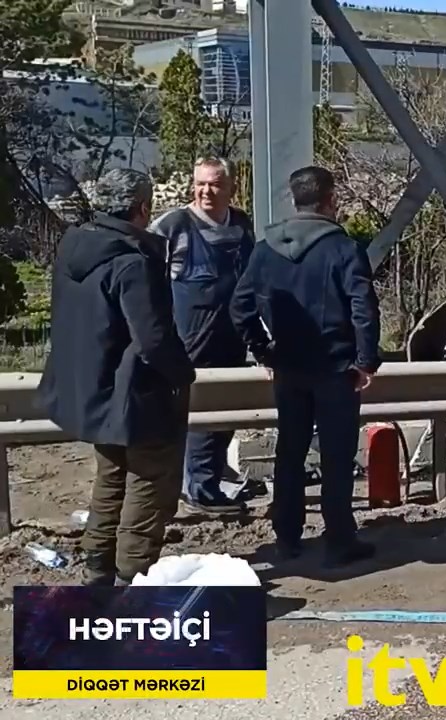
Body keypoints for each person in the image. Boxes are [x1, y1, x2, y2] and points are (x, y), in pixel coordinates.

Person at [36, 169, 196, 586]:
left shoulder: (75, 245)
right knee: (148, 480)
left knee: (111, 475)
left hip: (94, 388)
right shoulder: (132, 261)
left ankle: (97, 570)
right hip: (136, 393)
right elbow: (153, 338)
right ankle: (132, 580)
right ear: (143, 207)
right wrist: (182, 373)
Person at [230, 166, 381, 567]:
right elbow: (363, 309)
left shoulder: (265, 249)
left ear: (295, 199)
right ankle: (339, 539)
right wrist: (366, 361)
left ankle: (287, 536)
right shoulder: (343, 249)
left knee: (290, 451)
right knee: (336, 456)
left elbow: (240, 308)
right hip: (335, 368)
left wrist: (264, 351)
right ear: (331, 200)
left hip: (288, 367)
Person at [149, 157, 255, 515]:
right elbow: (145, 285)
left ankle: (205, 483)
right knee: (192, 420)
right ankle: (195, 489)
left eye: (215, 184)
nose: (206, 191)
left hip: (232, 341)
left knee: (223, 420)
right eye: (200, 184)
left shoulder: (241, 226)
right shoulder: (172, 227)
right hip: (187, 343)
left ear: (231, 188)